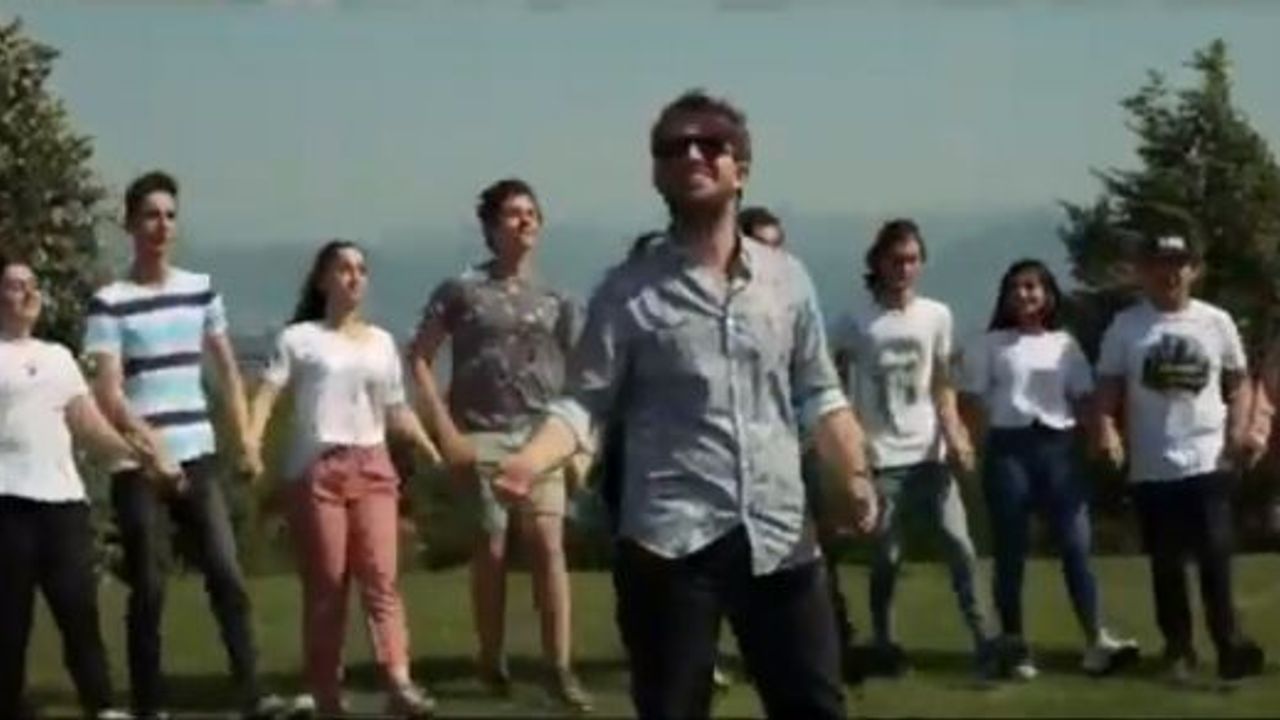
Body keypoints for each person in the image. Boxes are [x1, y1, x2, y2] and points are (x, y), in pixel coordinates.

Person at [493, 89, 878, 720]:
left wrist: (854, 473)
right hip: (668, 541)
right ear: (657, 174)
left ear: (740, 168)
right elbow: (585, 400)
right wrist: (530, 460)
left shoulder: (788, 279)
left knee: (814, 706)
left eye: (710, 144)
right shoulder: (626, 292)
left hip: (779, 533)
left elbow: (818, 393)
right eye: (674, 147)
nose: (692, 154)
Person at [82, 171, 282, 719]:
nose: (161, 226)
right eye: (151, 216)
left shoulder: (200, 289)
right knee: (149, 584)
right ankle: (150, 703)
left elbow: (227, 370)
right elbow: (108, 392)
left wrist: (246, 440)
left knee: (225, 571)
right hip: (138, 463)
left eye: (170, 216)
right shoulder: (110, 302)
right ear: (130, 224)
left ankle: (253, 693)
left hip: (198, 450)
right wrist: (152, 450)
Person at [407, 179, 592, 712]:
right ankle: (491, 658)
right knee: (490, 547)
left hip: (541, 436)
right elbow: (419, 357)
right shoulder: (461, 291)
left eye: (531, 213)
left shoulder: (557, 299)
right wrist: (445, 432)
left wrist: (578, 444)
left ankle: (559, 667)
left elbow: (583, 372)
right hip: (481, 433)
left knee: (548, 546)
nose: (525, 221)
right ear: (491, 227)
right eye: (513, 213)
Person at [245, 240, 441, 717]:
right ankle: (326, 691)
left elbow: (396, 408)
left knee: (381, 578)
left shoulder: (381, 343)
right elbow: (267, 395)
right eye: (344, 269)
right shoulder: (299, 339)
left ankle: (399, 681)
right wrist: (251, 443)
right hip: (319, 469)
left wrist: (430, 449)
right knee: (328, 584)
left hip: (372, 465)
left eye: (361, 269)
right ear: (323, 280)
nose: (354, 277)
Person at [0, 254, 179, 720]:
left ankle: (101, 706)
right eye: (16, 285)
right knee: (9, 621)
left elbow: (88, 424)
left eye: (32, 284)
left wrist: (139, 457)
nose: (28, 292)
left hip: (62, 504)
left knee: (79, 611)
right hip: (8, 504)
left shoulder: (58, 357)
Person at [1094, 233, 1267, 685]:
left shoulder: (1216, 322)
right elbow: (1108, 388)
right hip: (1153, 463)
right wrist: (1107, 429)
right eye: (1160, 263)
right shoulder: (1127, 326)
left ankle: (1229, 645)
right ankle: (1179, 648)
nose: (1169, 273)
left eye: (1179, 264)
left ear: (1194, 270)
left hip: (1208, 457)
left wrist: (1240, 430)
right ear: (1144, 270)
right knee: (1167, 563)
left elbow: (1239, 382)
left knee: (1215, 556)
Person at [958, 259, 1139, 680]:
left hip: (1058, 447)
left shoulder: (1065, 344)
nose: (1025, 295)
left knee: (1076, 544)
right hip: (1009, 449)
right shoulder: (990, 344)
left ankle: (1096, 638)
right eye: (1017, 288)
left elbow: (1083, 397)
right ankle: (1015, 645)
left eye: (1032, 287)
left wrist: (1103, 435)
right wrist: (973, 444)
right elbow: (971, 400)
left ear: (1048, 295)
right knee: (1011, 551)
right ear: (1006, 297)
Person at [832, 218, 994, 678]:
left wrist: (955, 431)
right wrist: (849, 441)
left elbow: (942, 380)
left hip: (928, 454)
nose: (904, 269)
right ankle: (885, 643)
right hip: (881, 457)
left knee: (959, 545)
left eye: (912, 260)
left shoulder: (936, 315)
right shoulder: (855, 320)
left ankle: (984, 639)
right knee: (888, 556)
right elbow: (833, 379)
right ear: (879, 263)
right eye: (895, 260)